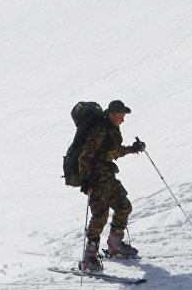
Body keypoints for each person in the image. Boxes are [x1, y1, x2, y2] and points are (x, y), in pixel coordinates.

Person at [78, 99, 146, 270]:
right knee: (100, 216)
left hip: (108, 177)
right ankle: (89, 257)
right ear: (110, 114)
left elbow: (114, 151)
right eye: (119, 116)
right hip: (96, 179)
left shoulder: (113, 129)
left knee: (124, 206)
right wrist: (86, 180)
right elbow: (85, 155)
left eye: (123, 116)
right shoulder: (100, 129)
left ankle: (115, 245)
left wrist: (133, 148)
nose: (122, 119)